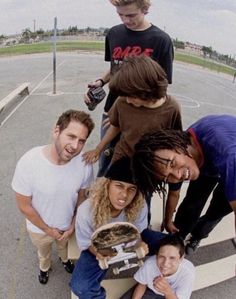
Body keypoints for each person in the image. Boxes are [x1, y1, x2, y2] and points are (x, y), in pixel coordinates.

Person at [84, 0, 174, 177]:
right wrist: (101, 82)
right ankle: (102, 199)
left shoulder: (162, 41)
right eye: (120, 14)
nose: (126, 20)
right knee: (106, 162)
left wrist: (128, 110)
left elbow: (161, 87)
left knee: (137, 165)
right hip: (111, 113)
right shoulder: (114, 34)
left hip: (141, 115)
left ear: (145, 9)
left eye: (131, 15)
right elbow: (115, 68)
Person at [132, 114, 236, 254]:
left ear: (178, 145)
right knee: (193, 203)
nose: (178, 175)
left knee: (217, 211)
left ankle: (198, 235)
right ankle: (177, 238)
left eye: (173, 163)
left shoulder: (229, 155)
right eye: (167, 176)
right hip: (209, 163)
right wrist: (169, 221)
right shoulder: (187, 148)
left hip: (226, 157)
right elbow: (174, 191)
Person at [11, 110, 95, 284]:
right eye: (71, 136)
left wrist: (73, 224)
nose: (75, 146)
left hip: (67, 227)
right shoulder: (28, 162)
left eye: (81, 141)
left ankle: (64, 261)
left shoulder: (84, 164)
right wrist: (48, 230)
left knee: (64, 249)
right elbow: (24, 206)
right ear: (56, 131)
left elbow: (82, 198)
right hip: (39, 229)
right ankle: (44, 268)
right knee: (44, 252)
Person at [70, 157, 165, 299]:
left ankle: (160, 280)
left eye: (131, 189)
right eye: (119, 186)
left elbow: (139, 231)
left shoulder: (139, 204)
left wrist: (139, 243)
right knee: (80, 287)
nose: (124, 195)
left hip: (130, 238)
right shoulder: (86, 211)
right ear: (107, 184)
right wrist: (99, 253)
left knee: (172, 243)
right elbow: (86, 243)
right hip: (100, 247)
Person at [120, 234, 195, 299]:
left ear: (181, 258)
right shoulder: (150, 264)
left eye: (172, 258)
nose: (165, 264)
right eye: (162, 257)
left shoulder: (188, 273)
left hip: (172, 295)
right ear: (156, 256)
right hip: (150, 290)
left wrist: (167, 291)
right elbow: (142, 285)